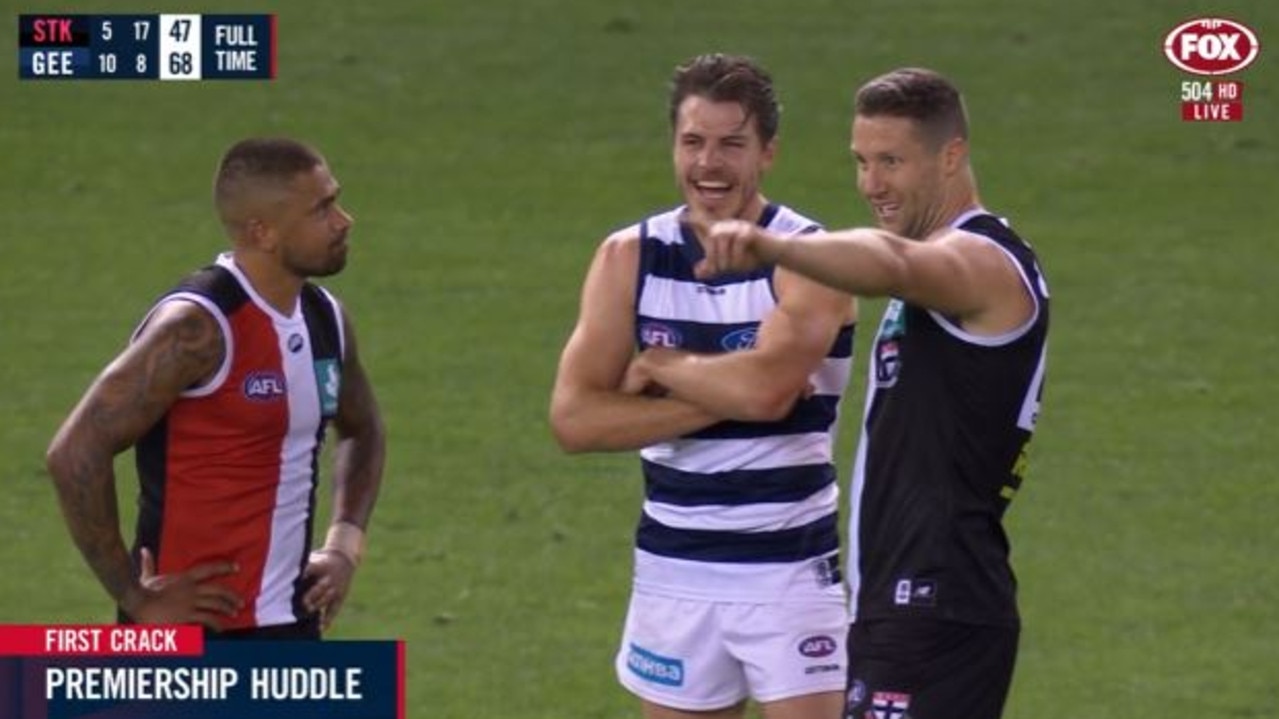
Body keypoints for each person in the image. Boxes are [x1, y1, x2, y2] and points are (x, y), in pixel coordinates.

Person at [694, 68, 1050, 719]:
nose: (871, 184)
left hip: (934, 603)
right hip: (900, 604)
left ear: (951, 155)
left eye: (891, 161)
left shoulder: (980, 263)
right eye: (860, 161)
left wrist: (775, 246)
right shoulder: (943, 266)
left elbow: (891, 261)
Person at [550, 54, 857, 719]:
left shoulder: (808, 256)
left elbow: (767, 394)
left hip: (790, 571)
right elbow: (574, 420)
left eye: (730, 144)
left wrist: (660, 368)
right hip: (673, 570)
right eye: (692, 142)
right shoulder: (626, 256)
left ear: (768, 152)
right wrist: (724, 392)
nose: (708, 164)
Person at [46, 137, 387, 640]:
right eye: (321, 209)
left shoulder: (326, 320)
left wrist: (343, 546)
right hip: (191, 634)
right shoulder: (197, 328)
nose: (343, 221)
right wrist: (134, 596)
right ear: (262, 232)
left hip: (291, 627)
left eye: (334, 199)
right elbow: (74, 452)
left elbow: (363, 429)